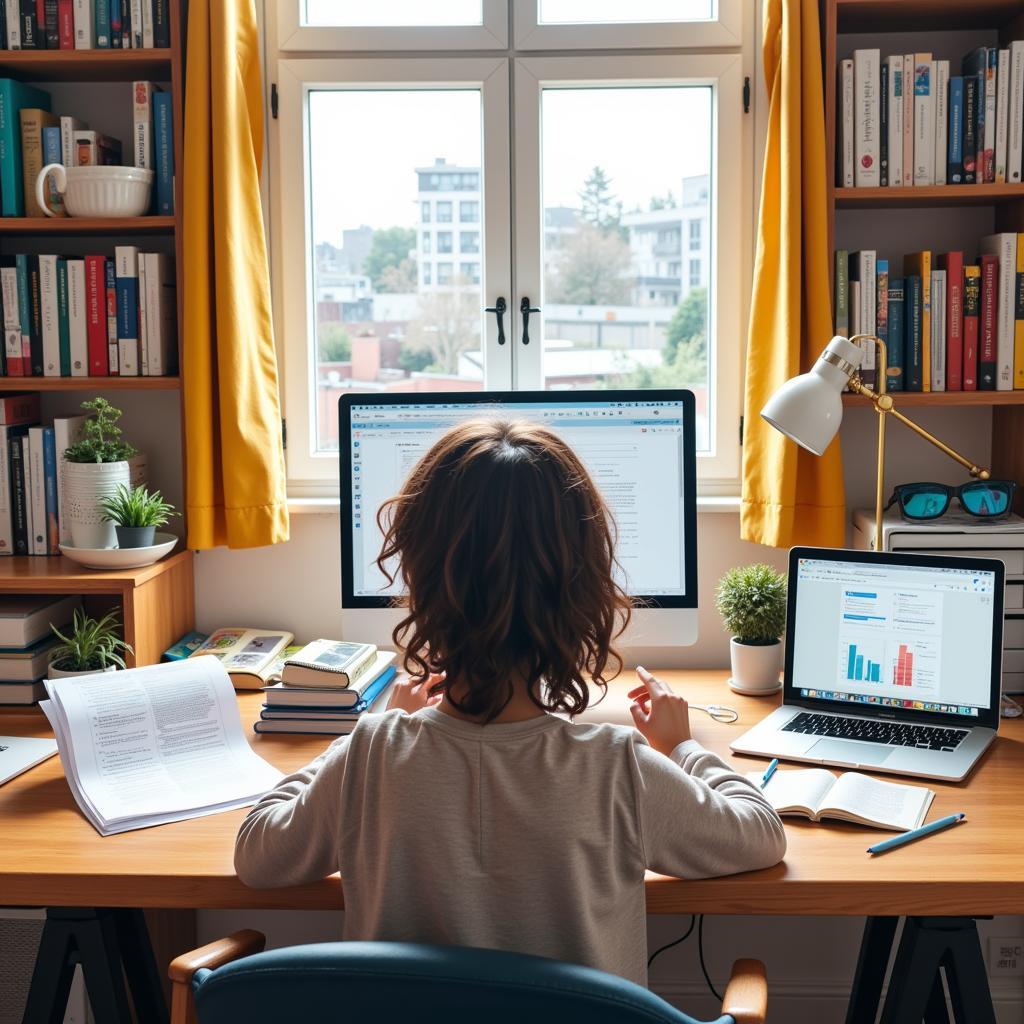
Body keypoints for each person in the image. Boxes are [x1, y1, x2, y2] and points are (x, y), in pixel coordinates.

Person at [234, 419, 785, 986]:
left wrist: (375, 728)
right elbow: (760, 835)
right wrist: (684, 746)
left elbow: (257, 855)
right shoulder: (616, 765)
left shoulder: (373, 755)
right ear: (583, 588)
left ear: (421, 577)